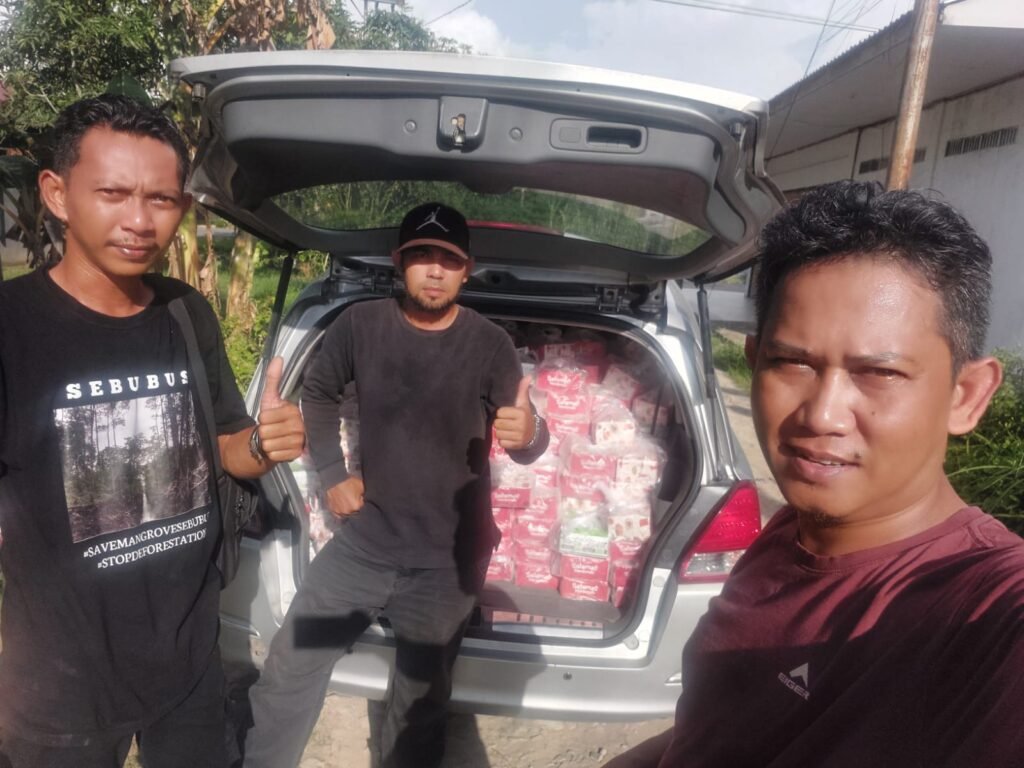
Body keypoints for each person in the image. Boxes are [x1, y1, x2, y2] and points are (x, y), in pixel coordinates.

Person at [604, 180, 1023, 768]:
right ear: (754, 362)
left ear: (967, 395)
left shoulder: (982, 607)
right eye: (792, 363)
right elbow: (722, 724)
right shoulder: (792, 532)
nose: (821, 416)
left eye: (879, 374)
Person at [0, 94, 306, 768]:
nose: (140, 221)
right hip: (61, 684)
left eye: (161, 200)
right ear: (57, 194)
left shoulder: (185, 313)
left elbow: (223, 444)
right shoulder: (12, 325)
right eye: (113, 193)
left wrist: (262, 444)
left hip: (187, 660)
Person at [243, 202, 549, 768]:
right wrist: (332, 474)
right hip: (366, 544)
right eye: (421, 255)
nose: (434, 270)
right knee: (289, 665)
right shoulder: (359, 325)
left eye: (448, 260)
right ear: (398, 261)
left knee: (419, 707)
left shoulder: (489, 345)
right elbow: (319, 393)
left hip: (448, 562)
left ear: (466, 271)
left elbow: (525, 434)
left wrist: (531, 434)